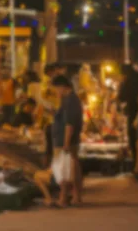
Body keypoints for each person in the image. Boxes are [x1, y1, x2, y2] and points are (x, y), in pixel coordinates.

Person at [51, 75, 83, 207]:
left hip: (65, 141)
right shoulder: (70, 100)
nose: (56, 92)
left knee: (63, 170)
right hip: (68, 140)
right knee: (72, 168)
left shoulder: (70, 101)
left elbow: (69, 124)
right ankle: (75, 196)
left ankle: (63, 199)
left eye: (57, 89)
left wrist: (66, 143)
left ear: (63, 87)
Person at [117, 64, 138, 169]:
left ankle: (137, 165)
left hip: (133, 112)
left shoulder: (127, 82)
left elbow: (121, 97)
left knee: (133, 139)